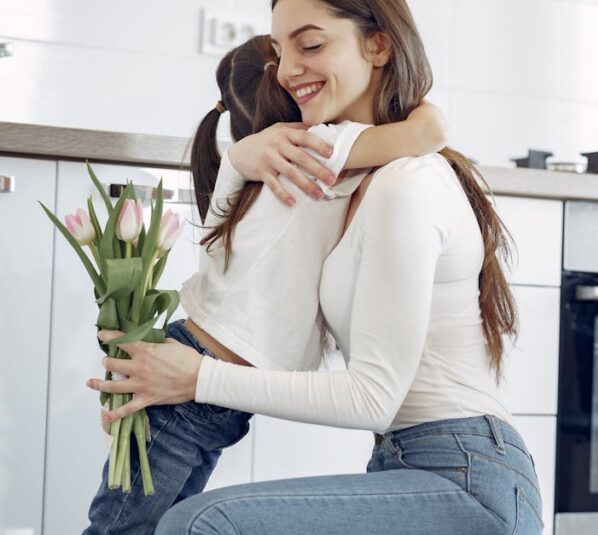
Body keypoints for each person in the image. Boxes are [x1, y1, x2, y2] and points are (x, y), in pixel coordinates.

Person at [88, 0, 542, 533]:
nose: (286, 70)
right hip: (403, 461)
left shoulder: (402, 183)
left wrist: (200, 377)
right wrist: (236, 159)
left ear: (379, 44)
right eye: (280, 52)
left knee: (198, 524)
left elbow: (372, 397)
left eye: (311, 44)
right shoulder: (329, 172)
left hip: (465, 473)